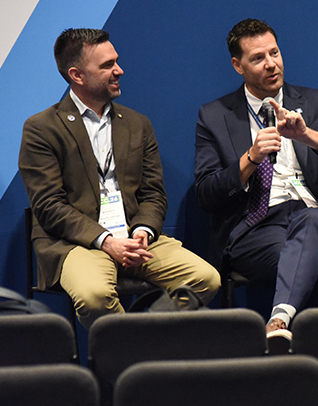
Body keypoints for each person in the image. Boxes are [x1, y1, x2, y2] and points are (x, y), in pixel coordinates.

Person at [19, 28, 220, 329]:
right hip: (76, 243)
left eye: (116, 61)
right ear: (77, 75)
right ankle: (137, 355)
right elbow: (49, 206)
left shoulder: (137, 124)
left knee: (205, 279)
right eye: (107, 65)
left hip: (135, 238)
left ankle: (143, 343)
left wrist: (143, 230)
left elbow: (153, 194)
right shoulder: (42, 129)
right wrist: (106, 240)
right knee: (94, 296)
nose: (119, 70)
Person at [195, 18, 318, 348]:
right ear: (238, 65)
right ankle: (312, 358)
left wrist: (307, 135)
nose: (271, 64)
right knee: (309, 265)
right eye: (258, 58)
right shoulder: (214, 115)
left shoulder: (315, 101)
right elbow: (206, 193)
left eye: (274, 53)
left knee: (313, 220)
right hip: (256, 228)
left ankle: (277, 323)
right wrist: (250, 158)